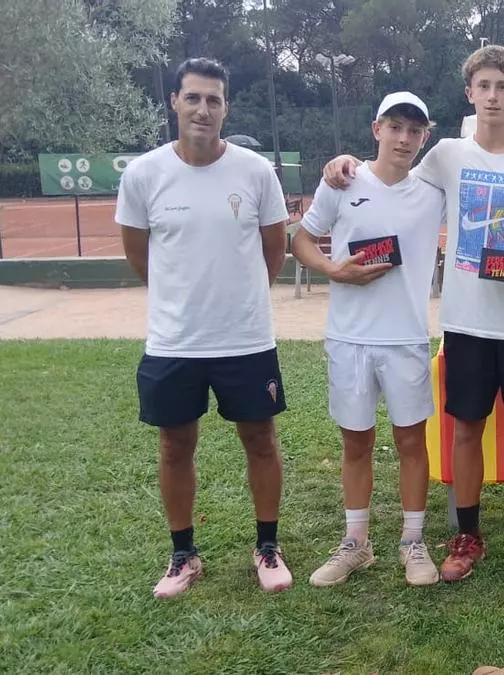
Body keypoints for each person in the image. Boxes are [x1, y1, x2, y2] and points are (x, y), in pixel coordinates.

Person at [322, 44, 504, 582]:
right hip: (465, 321)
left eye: (503, 87)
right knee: (465, 429)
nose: (494, 96)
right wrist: (344, 163)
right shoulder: (446, 155)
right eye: (484, 86)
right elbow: (388, 173)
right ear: (470, 94)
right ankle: (467, 534)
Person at [116, 58, 293, 598]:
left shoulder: (256, 172)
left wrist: (235, 301)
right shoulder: (143, 174)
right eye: (193, 97)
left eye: (213, 100)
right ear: (175, 101)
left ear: (225, 107)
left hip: (245, 338)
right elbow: (139, 255)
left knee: (260, 441)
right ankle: (182, 556)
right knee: (174, 446)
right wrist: (181, 300)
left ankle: (267, 547)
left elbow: (275, 252)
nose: (203, 109)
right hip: (174, 341)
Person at [296, 92, 446, 588]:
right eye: (396, 127)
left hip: (405, 338)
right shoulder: (342, 181)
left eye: (415, 131)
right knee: (356, 442)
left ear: (425, 137)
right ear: (376, 128)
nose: (404, 139)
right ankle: (356, 543)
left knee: (410, 441)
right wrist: (332, 270)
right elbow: (302, 239)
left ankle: (412, 541)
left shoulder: (432, 189)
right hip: (349, 338)